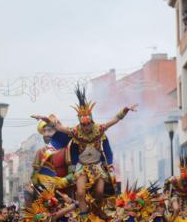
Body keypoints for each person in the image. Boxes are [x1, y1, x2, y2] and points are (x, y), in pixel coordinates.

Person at [33, 85, 138, 214]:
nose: (86, 127)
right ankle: (84, 217)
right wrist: (44, 119)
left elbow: (115, 120)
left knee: (100, 192)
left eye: (88, 124)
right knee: (80, 192)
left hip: (98, 166)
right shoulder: (75, 131)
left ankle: (97, 210)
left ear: (91, 121)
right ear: (80, 123)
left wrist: (126, 109)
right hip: (82, 167)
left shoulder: (99, 130)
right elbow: (59, 127)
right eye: (84, 124)